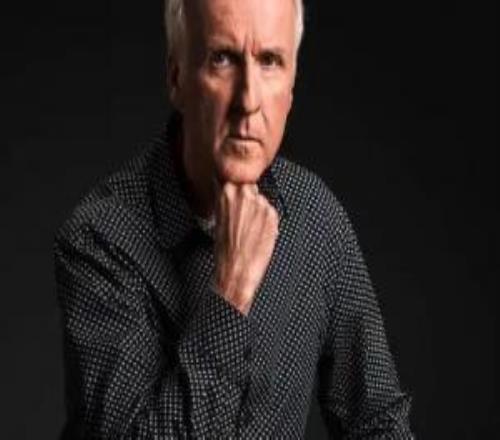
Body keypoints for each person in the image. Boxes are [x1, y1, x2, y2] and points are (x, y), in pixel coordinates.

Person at [54, 0, 413, 438]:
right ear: (177, 78)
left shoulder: (315, 217)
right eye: (222, 59)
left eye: (270, 61)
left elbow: (377, 421)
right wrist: (230, 292)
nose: (248, 101)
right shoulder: (100, 237)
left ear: (292, 86)